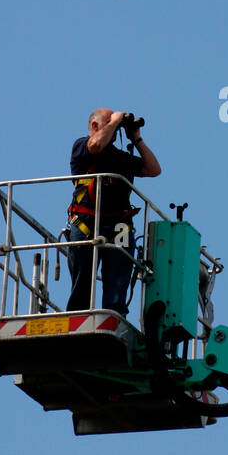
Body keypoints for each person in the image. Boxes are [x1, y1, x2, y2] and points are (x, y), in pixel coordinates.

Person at [65, 108, 161, 314]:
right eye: (109, 123)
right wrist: (115, 120)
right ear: (94, 126)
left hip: (119, 226)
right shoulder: (82, 146)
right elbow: (96, 144)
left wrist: (137, 139)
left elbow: (154, 169)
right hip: (86, 223)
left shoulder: (120, 157)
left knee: (117, 284)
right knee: (82, 285)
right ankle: (78, 317)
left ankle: (114, 317)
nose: (115, 128)